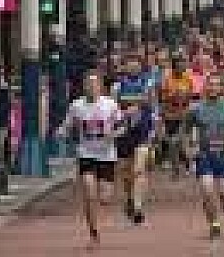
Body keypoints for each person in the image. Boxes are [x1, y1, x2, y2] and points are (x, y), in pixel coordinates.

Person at [58, 72, 122, 246]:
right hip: (86, 154)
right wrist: (62, 131)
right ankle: (93, 233)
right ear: (84, 87)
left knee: (105, 198)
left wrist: (113, 134)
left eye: (94, 85)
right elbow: (67, 124)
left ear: (100, 87)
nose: (91, 88)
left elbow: (122, 126)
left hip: (106, 155)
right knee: (89, 193)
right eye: (88, 85)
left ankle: (104, 199)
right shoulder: (76, 105)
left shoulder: (110, 104)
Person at [186, 73, 224, 240]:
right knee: (207, 189)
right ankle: (214, 224)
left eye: (216, 85)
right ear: (205, 87)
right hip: (204, 155)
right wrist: (189, 149)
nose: (213, 88)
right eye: (210, 84)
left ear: (221, 88)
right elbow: (186, 130)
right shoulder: (196, 108)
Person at [112, 54, 157, 224]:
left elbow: (150, 101)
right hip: (124, 132)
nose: (133, 67)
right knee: (126, 172)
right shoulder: (117, 85)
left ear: (140, 66)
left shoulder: (148, 82)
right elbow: (113, 106)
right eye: (129, 64)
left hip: (143, 131)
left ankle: (138, 207)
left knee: (139, 169)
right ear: (124, 66)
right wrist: (126, 110)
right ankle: (129, 198)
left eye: (136, 64)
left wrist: (154, 130)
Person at [159, 56, 195, 178]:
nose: (181, 68)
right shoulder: (167, 80)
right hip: (170, 115)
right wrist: (173, 96)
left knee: (182, 141)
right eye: (179, 65)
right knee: (172, 142)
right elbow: (162, 98)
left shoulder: (188, 80)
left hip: (183, 115)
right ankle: (175, 168)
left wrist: (185, 102)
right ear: (174, 67)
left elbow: (190, 97)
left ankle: (188, 164)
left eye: (183, 65)